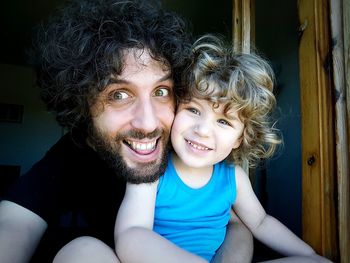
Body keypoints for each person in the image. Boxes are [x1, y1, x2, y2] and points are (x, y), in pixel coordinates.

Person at [0, 1, 253, 263]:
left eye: (161, 91)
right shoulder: (72, 154)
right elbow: (15, 222)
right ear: (82, 103)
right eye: (118, 95)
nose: (148, 123)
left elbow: (235, 222)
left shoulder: (186, 147)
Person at [114, 35, 333, 263]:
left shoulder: (233, 178)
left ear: (241, 138)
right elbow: (132, 233)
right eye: (193, 110)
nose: (203, 130)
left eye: (223, 122)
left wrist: (310, 255)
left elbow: (260, 222)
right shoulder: (152, 168)